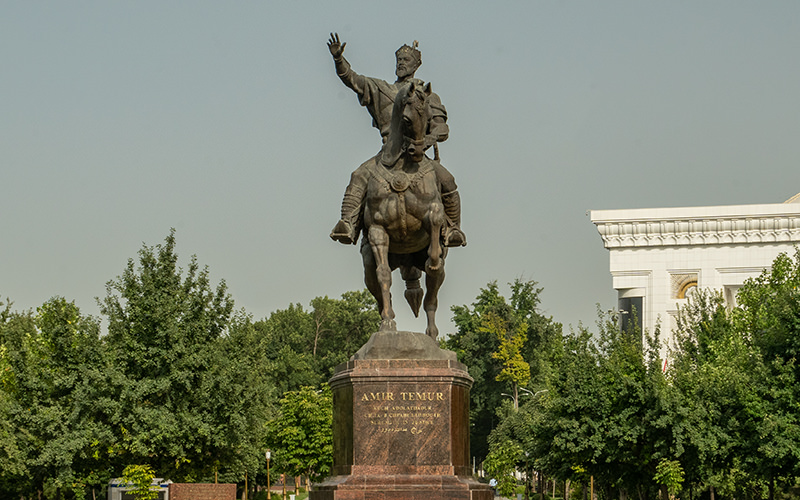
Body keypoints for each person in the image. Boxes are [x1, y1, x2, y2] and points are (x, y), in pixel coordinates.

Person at [327, 33, 465, 247]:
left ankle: (454, 229)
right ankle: (348, 224)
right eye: (399, 60)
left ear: (417, 65)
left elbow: (442, 128)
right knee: (358, 175)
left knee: (448, 181)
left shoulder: (428, 95)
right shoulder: (381, 89)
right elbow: (352, 80)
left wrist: (427, 140)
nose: (401, 64)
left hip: (418, 154)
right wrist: (338, 60)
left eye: (406, 60)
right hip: (387, 154)